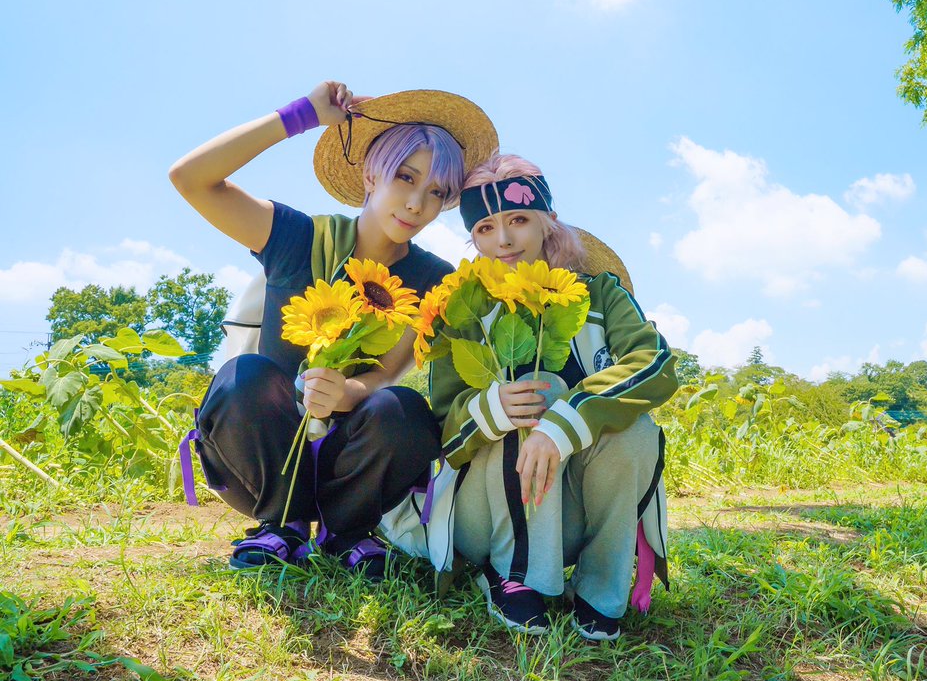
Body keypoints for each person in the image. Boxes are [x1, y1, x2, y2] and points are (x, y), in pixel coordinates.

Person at [170, 82, 497, 577]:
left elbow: (385, 375)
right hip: (261, 455)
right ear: (370, 174)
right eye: (405, 177)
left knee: (405, 408)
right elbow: (191, 178)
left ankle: (347, 532)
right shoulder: (297, 237)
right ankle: (283, 524)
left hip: (351, 464)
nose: (416, 204)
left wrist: (347, 393)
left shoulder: (434, 278)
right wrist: (300, 115)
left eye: (436, 192)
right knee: (244, 375)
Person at [430, 154, 677, 641]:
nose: (503, 240)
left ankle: (600, 588)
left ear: (548, 221)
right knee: (540, 388)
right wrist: (493, 408)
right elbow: (442, 427)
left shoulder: (601, 294)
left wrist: (567, 422)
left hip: (573, 514)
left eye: (518, 220)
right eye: (485, 228)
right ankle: (512, 574)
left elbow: (654, 364)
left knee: (633, 428)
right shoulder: (462, 311)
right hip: (483, 515)